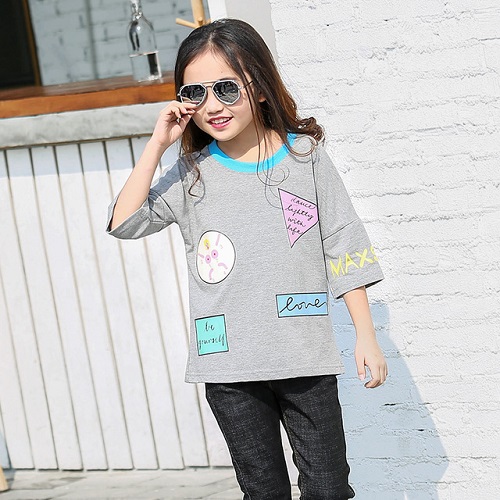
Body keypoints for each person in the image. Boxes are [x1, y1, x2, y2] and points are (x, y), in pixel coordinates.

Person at [107, 18, 388, 500]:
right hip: (228, 366)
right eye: (196, 93)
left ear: (257, 87)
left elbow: (343, 242)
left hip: (303, 354)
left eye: (226, 88)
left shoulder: (305, 158)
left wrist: (366, 334)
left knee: (328, 487)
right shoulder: (191, 175)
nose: (212, 106)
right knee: (264, 491)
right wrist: (157, 144)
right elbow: (124, 222)